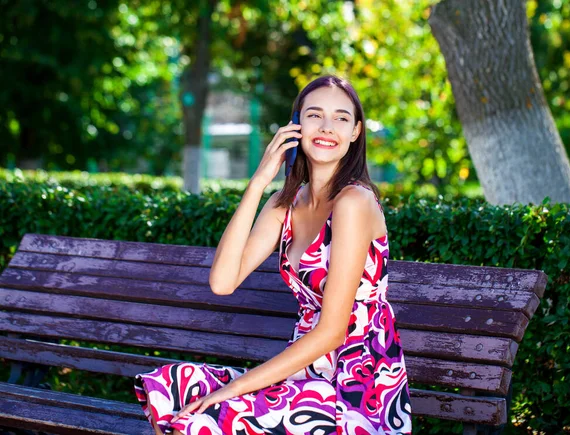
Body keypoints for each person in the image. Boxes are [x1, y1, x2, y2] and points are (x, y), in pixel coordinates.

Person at [133, 74, 412, 434]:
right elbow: (222, 281)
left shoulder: (354, 202)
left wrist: (236, 387)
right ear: (296, 124)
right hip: (302, 378)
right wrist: (260, 180)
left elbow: (331, 333)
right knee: (174, 386)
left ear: (356, 132)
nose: (327, 127)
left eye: (341, 118)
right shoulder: (286, 204)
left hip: (356, 390)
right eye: (314, 115)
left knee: (208, 417)